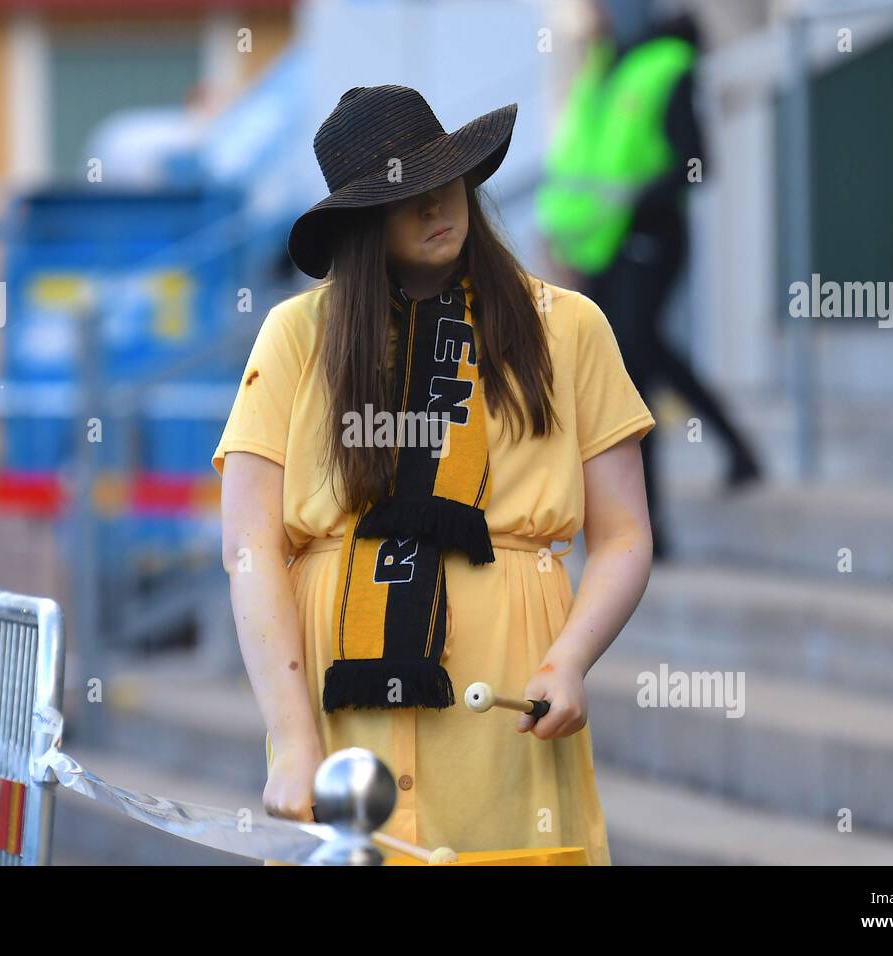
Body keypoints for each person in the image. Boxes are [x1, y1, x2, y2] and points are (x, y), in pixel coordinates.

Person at [212, 84, 655, 866]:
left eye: (441, 181)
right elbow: (249, 547)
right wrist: (289, 737)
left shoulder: (570, 326)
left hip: (505, 716)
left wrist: (569, 660)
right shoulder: (293, 336)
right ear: (359, 225)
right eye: (403, 197)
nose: (434, 207)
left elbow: (622, 535)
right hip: (342, 725)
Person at [537, 0, 761, 560]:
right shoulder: (600, 67)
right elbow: (579, 163)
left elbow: (697, 162)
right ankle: (736, 450)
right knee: (646, 353)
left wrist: (635, 199)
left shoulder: (667, 63)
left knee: (634, 366)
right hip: (596, 245)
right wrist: (563, 234)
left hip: (650, 238)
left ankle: (649, 525)